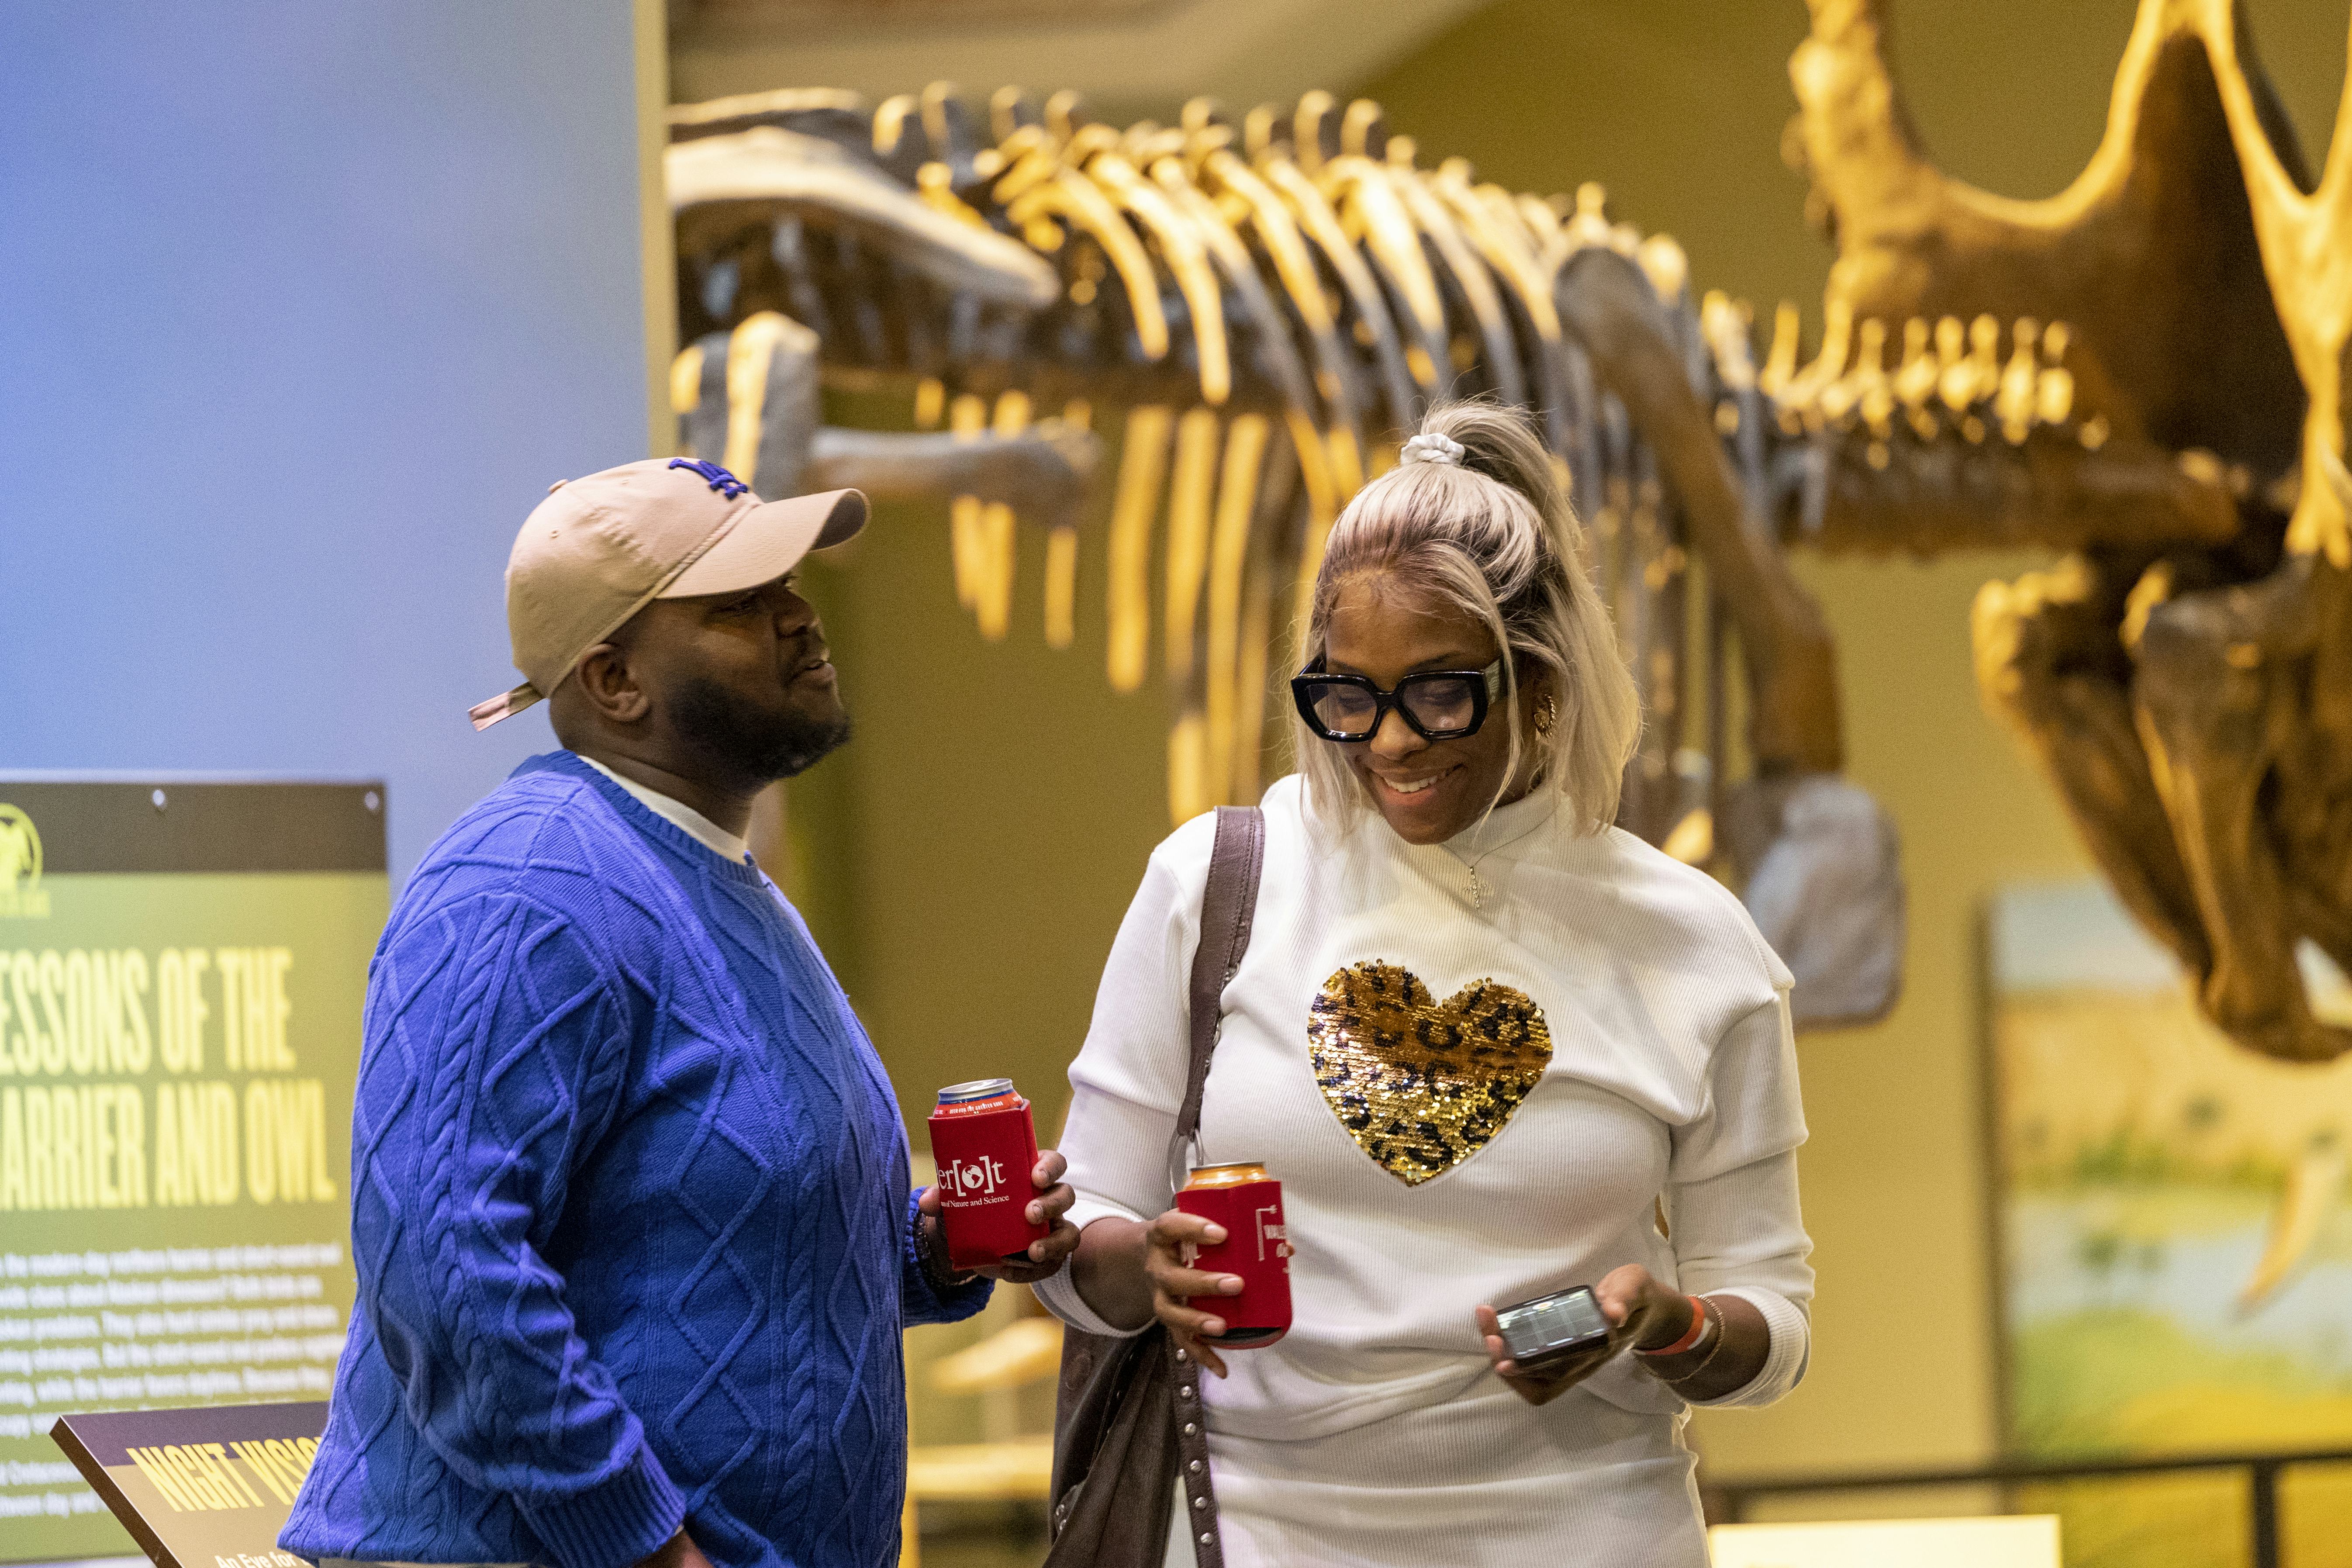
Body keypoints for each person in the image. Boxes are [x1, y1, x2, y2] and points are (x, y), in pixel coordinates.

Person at [1031, 404, 1813, 1566]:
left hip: (1590, 1525)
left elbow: (1774, 1319)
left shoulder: (1690, 939)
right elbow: (1085, 1242)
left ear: (1538, 675)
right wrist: (1131, 1264)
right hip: (1256, 1528)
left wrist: (1672, 1323)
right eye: (1346, 695)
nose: (1389, 741)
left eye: (1440, 692)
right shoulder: (1215, 884)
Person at [280, 457, 1079, 1568]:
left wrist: (935, 1249)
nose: (799, 617)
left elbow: (726, 1249)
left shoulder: (725, 885)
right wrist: (643, 1544)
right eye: (740, 607)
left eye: (787, 586)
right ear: (614, 681)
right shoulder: (525, 879)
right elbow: (443, 1262)